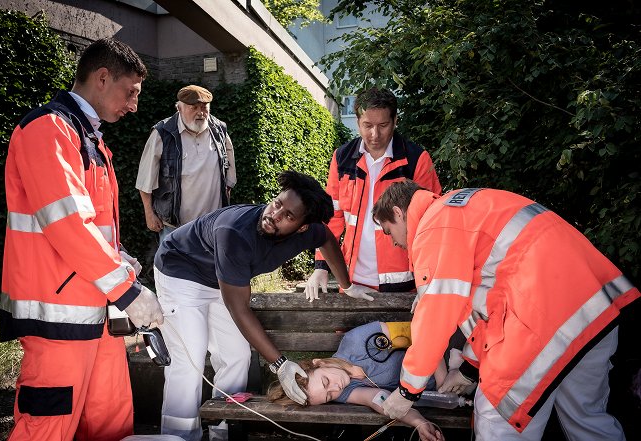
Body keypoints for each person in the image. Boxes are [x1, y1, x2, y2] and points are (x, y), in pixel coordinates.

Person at [372, 180, 640, 440]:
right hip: (592, 310)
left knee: (496, 423)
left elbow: (435, 315)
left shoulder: (433, 225)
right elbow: (494, 301)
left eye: (388, 231)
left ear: (398, 212)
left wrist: (408, 391)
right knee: (587, 419)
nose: (394, 243)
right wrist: (469, 369)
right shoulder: (467, 206)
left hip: (542, 323)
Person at [0, 38, 164, 441]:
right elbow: (68, 224)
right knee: (48, 428)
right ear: (102, 78)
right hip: (58, 317)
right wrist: (128, 290)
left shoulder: (86, 137)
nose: (134, 106)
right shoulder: (49, 129)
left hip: (92, 311)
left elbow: (90, 225)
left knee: (109, 420)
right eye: (131, 93)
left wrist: (120, 256)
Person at [153, 170, 371, 440]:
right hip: (180, 271)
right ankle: (178, 435)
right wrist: (281, 364)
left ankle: (223, 429)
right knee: (190, 359)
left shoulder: (309, 232)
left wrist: (346, 285)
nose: (274, 215)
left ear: (302, 226)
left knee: (237, 356)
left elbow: (326, 239)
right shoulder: (235, 232)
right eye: (277, 203)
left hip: (222, 280)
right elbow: (239, 309)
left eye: (288, 216)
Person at [304, 87, 442, 302]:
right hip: (353, 281)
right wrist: (321, 265)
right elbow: (331, 217)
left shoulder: (416, 159)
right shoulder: (342, 158)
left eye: (383, 125)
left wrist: (427, 280)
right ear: (358, 121)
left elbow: (431, 225)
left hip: (404, 282)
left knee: (399, 337)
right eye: (367, 126)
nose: (374, 135)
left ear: (395, 121)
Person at [267, 321, 449, 441]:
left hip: (450, 356)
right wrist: (420, 423)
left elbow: (426, 330)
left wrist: (443, 382)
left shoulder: (357, 341)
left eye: (325, 381)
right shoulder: (344, 392)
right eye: (329, 395)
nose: (336, 387)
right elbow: (380, 399)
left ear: (319, 363)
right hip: (450, 392)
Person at [136, 85, 236, 242]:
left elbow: (228, 180)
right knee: (173, 266)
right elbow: (145, 180)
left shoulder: (219, 131)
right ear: (179, 108)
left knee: (209, 267)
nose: (200, 113)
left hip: (211, 227)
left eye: (204, 107)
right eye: (194, 107)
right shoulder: (163, 133)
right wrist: (149, 214)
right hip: (174, 228)